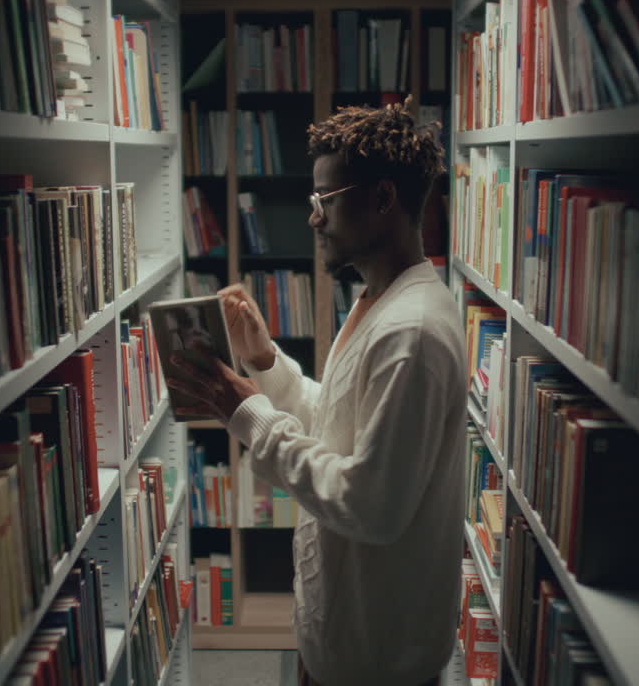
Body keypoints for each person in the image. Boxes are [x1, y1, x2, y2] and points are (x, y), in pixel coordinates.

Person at [165, 99, 468, 686]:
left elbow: (369, 505)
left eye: (323, 202)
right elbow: (337, 427)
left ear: (382, 198)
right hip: (342, 636)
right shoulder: (379, 300)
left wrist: (244, 412)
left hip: (376, 662)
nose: (313, 218)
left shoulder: (412, 332)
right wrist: (263, 361)